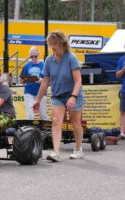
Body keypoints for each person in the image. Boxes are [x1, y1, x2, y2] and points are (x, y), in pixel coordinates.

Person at [33, 31, 84, 162]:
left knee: (75, 123)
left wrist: (73, 97)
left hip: (73, 93)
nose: (52, 47)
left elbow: (78, 81)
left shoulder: (71, 58)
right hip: (57, 95)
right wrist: (37, 100)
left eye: (54, 44)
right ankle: (56, 152)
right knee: (56, 122)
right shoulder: (49, 60)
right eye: (50, 44)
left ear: (61, 43)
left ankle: (78, 149)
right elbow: (45, 81)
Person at [19, 46, 49, 120]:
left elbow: (48, 79)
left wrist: (41, 80)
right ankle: (30, 130)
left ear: (38, 55)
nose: (33, 58)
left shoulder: (44, 65)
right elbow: (21, 79)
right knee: (30, 114)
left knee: (43, 114)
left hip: (41, 91)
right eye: (31, 57)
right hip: (29, 91)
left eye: (35, 56)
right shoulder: (26, 66)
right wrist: (23, 80)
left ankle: (47, 130)